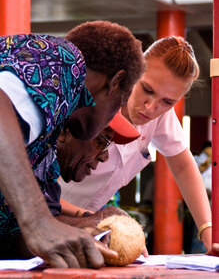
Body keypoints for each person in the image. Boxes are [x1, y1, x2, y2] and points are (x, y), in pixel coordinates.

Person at [0, 20, 145, 267]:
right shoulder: (62, 58)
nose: (112, 116)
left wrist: (86, 230)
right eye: (119, 104)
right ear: (115, 82)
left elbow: (17, 236)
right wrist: (37, 221)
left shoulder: (47, 142)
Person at [60, 36, 213, 254]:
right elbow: (35, 188)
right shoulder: (86, 98)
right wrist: (93, 219)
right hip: (37, 214)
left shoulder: (161, 116)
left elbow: (183, 166)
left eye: (167, 102)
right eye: (147, 89)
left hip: (85, 226)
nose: (151, 108)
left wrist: (207, 230)